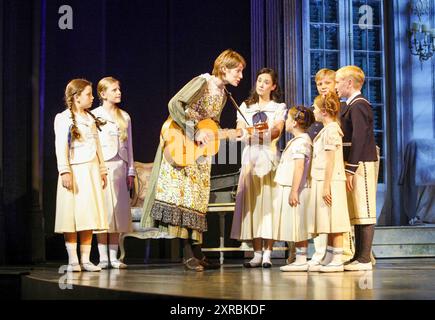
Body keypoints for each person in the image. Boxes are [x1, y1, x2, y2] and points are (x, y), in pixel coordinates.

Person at [140, 49, 246, 271]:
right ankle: (187, 254)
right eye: (238, 71)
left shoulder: (225, 94)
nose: (241, 76)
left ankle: (197, 252)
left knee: (197, 200)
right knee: (184, 199)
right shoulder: (202, 82)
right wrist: (195, 130)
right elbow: (174, 104)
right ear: (224, 68)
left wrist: (229, 134)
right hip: (183, 144)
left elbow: (212, 125)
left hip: (200, 151)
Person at [230, 68, 287, 268]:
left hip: (269, 156)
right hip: (250, 157)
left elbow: (277, 130)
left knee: (269, 204)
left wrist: (260, 133)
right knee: (252, 205)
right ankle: (256, 253)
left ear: (273, 86)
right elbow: (240, 131)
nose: (261, 84)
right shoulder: (246, 106)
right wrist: (247, 133)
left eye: (266, 81)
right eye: (259, 80)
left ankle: (268, 254)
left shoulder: (278, 107)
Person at [54, 79, 108, 272]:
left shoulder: (90, 118)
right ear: (76, 97)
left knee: (88, 215)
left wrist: (102, 169)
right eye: (88, 94)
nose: (92, 97)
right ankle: (73, 260)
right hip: (75, 170)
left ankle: (85, 259)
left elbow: (98, 147)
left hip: (91, 170)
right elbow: (61, 147)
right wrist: (65, 170)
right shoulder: (63, 118)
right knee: (72, 214)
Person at [307, 68, 355, 267]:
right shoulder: (321, 116)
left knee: (335, 216)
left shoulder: (339, 116)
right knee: (325, 217)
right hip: (322, 171)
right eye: (319, 84)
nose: (323, 87)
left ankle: (340, 254)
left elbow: (340, 145)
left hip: (334, 171)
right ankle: (324, 254)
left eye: (327, 83)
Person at [335, 66, 379, 271]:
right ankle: (357, 256)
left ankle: (364, 258)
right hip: (354, 162)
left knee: (365, 209)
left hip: (362, 162)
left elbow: (359, 137)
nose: (335, 86)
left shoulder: (359, 105)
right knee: (356, 210)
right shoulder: (350, 105)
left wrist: (351, 169)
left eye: (338, 82)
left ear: (349, 83)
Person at [92, 77, 136, 269]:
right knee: (105, 213)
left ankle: (114, 256)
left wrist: (131, 170)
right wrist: (98, 168)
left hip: (120, 166)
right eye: (114, 90)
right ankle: (103, 257)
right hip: (103, 167)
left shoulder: (124, 116)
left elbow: (130, 146)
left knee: (118, 213)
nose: (119, 92)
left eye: (119, 89)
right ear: (103, 94)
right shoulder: (94, 116)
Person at [275, 106, 315, 272]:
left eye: (288, 118)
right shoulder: (297, 140)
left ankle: (301, 258)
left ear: (295, 123)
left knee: (298, 224)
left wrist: (294, 190)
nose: (285, 121)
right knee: (294, 224)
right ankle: (298, 257)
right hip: (290, 187)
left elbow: (299, 168)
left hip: (296, 189)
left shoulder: (301, 142)